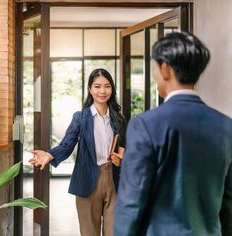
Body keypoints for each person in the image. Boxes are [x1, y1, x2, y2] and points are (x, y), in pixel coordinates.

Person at [114, 31, 232, 236]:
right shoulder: (226, 126)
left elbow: (131, 203)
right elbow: (229, 202)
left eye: (154, 68)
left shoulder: (145, 125)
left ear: (165, 69)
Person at [29, 68, 126, 236]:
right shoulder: (81, 117)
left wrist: (122, 160)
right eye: (97, 86)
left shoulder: (119, 118)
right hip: (88, 180)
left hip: (115, 180)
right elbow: (67, 144)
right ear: (90, 89)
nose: (102, 91)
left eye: (107, 86)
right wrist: (49, 155)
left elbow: (126, 148)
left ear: (112, 89)